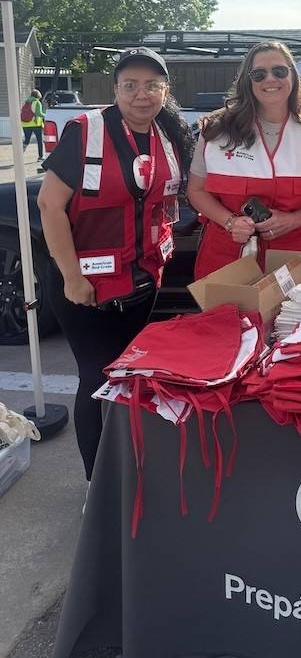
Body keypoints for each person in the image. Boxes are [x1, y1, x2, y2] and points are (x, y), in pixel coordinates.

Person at [37, 47, 191, 481]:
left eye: (152, 85)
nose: (141, 95)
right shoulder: (85, 130)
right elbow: (50, 206)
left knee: (129, 374)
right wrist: (72, 277)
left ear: (165, 90)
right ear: (116, 89)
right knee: (96, 377)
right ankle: (95, 483)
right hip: (84, 286)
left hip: (142, 282)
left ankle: (129, 465)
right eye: (131, 85)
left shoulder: (171, 134)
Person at [188, 41, 301, 279]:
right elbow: (196, 191)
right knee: (224, 317)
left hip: (294, 254)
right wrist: (231, 222)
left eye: (279, 71)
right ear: (248, 81)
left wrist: (294, 220)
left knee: (291, 316)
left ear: (292, 76)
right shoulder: (215, 130)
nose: (270, 79)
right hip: (226, 253)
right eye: (259, 74)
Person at [21, 89, 44, 162]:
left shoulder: (26, 102)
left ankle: (20, 154)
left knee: (27, 140)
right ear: (38, 96)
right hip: (35, 124)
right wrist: (47, 115)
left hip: (25, 124)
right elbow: (38, 113)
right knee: (39, 140)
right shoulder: (37, 102)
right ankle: (40, 157)